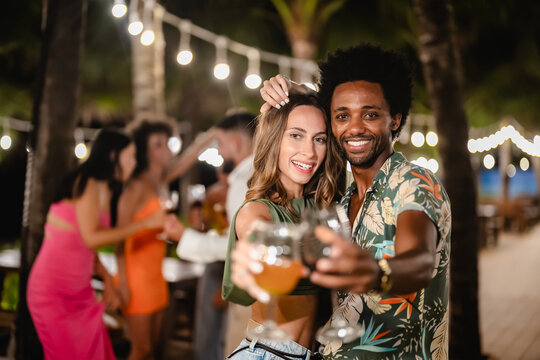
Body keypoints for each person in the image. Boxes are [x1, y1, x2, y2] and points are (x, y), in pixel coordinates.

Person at [257, 44, 452, 359]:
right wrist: (296, 93)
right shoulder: (343, 199)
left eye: (371, 114)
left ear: (395, 120)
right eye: (342, 116)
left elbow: (420, 260)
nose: (355, 127)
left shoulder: (413, 182)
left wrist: (376, 273)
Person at [222, 93, 344, 360]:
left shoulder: (320, 206)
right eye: (296, 135)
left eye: (319, 139)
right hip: (268, 354)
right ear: (274, 139)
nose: (309, 152)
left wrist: (295, 89)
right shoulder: (257, 209)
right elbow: (259, 239)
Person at [27, 128, 165, 360]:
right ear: (113, 156)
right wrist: (145, 223)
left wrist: (107, 278)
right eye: (130, 156)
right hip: (54, 293)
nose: (134, 163)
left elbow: (85, 245)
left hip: (80, 292)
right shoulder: (87, 182)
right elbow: (91, 237)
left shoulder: (106, 188)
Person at [164, 112, 258, 359]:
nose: (220, 151)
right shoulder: (249, 174)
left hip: (245, 282)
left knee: (236, 347)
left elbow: (235, 243)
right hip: (241, 277)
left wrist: (183, 237)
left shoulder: (244, 180)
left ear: (236, 144)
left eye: (221, 144)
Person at [115, 121, 182, 360]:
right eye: (158, 145)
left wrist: (212, 136)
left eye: (167, 143)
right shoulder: (135, 187)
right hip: (135, 277)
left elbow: (187, 160)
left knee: (152, 350)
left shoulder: (161, 182)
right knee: (140, 349)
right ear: (145, 151)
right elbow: (119, 237)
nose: (167, 150)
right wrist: (122, 282)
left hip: (156, 275)